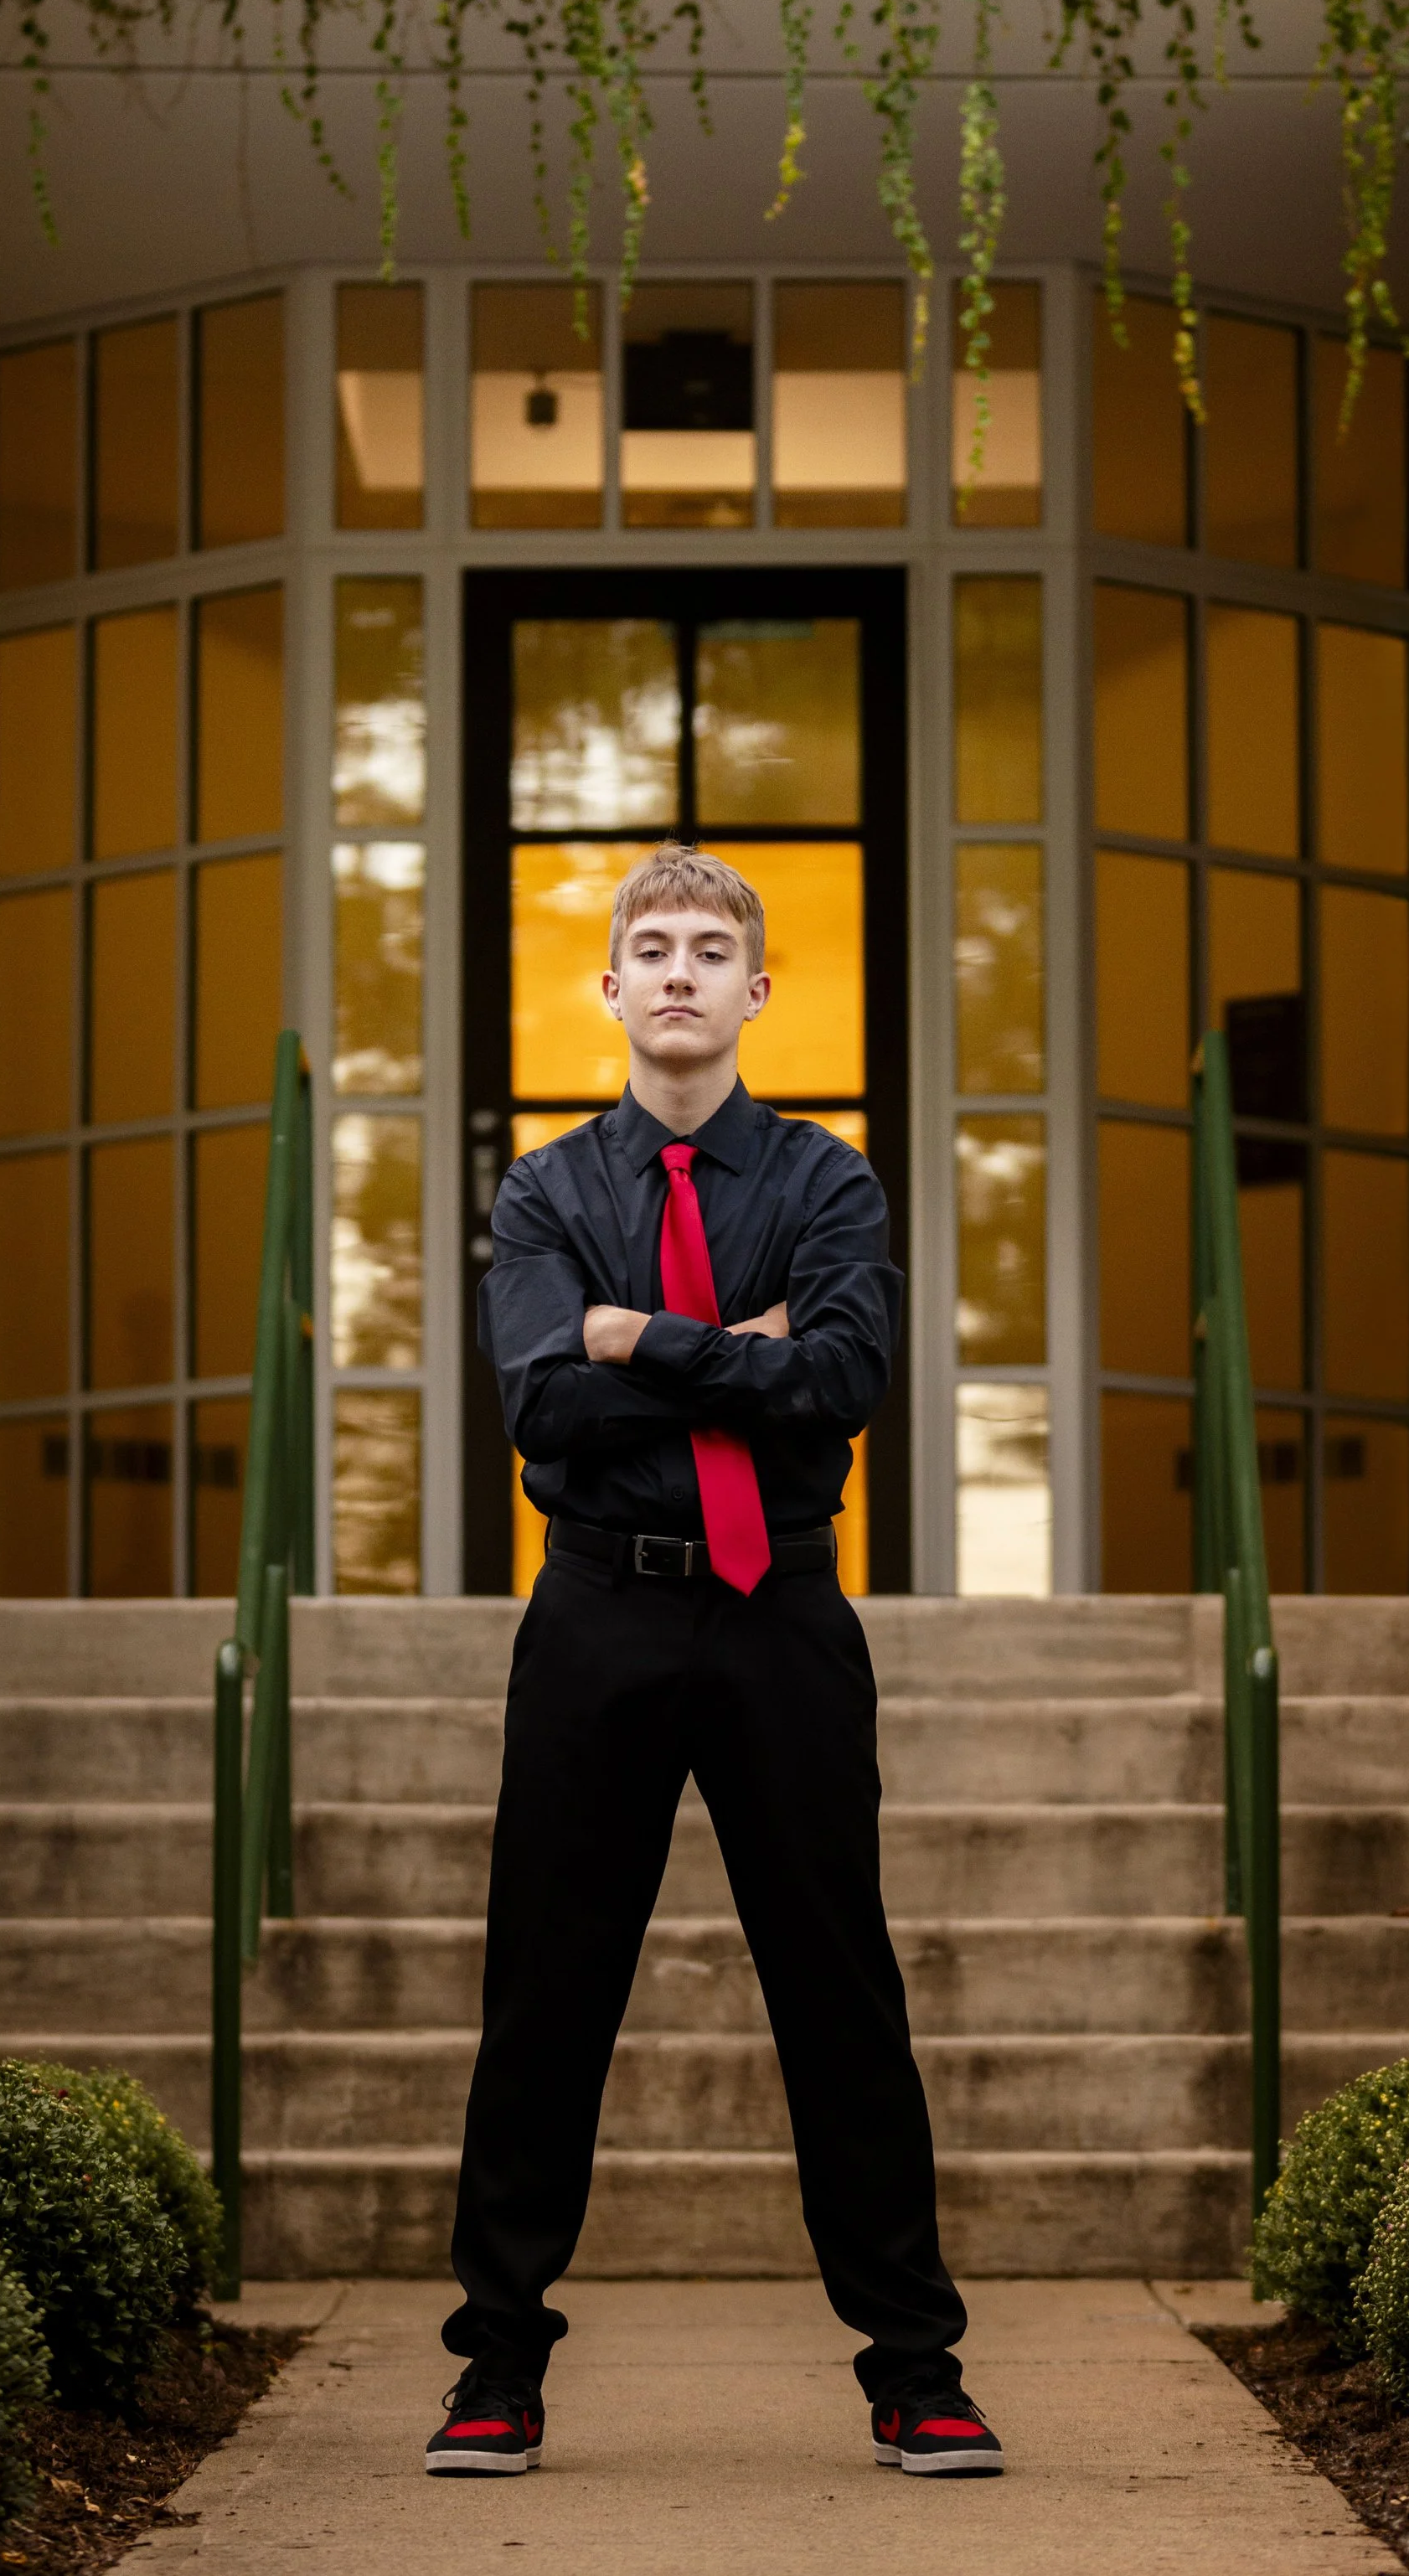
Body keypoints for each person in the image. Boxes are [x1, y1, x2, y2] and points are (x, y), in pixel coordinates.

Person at [425, 844, 1002, 2481]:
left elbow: (838, 1381)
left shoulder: (828, 1185)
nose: (676, 972)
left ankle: (915, 2366)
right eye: (648, 948)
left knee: (838, 1990)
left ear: (755, 990)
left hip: (782, 1617)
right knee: (547, 1994)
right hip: (598, 1610)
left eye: (708, 950)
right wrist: (718, 1353)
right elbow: (539, 1401)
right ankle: (494, 2369)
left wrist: (632, 1338)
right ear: (607, 988)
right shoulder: (544, 1193)